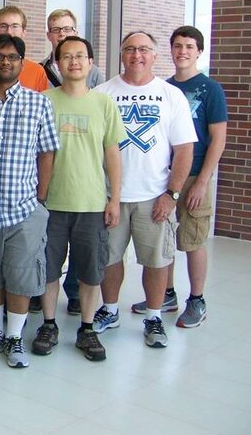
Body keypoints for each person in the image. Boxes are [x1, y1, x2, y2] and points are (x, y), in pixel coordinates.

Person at [93, 31, 196, 348]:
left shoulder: (170, 95)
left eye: (143, 49)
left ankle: (153, 316)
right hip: (112, 196)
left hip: (154, 196)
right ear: (121, 54)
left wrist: (172, 194)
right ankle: (110, 310)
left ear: (154, 55)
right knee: (109, 258)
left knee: (156, 261)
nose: (136, 55)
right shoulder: (102, 93)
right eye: (129, 49)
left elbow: (184, 149)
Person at [0, 34, 60, 368]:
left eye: (11, 57)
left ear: (22, 63)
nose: (5, 62)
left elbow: (47, 153)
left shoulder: (39, 103)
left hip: (24, 210)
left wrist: (40, 199)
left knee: (21, 276)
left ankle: (15, 337)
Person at [32, 36, 125, 362]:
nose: (74, 61)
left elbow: (112, 154)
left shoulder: (103, 104)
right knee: (48, 270)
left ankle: (87, 328)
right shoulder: (43, 100)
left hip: (91, 204)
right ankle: (48, 324)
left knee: (90, 271)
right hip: (50, 205)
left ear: (90, 63)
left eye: (80, 56)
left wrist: (114, 199)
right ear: (57, 63)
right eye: (67, 56)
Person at [130, 26, 227, 328]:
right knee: (166, 239)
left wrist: (201, 181)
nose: (182, 51)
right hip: (166, 177)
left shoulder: (210, 89)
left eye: (189, 46)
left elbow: (218, 139)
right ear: (170, 51)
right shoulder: (165, 88)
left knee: (193, 240)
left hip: (196, 174)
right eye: (177, 46)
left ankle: (196, 299)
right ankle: (166, 294)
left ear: (199, 52)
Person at [35, 7, 105, 315]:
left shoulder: (98, 82)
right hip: (53, 188)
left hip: (89, 189)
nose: (63, 34)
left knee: (86, 254)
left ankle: (77, 296)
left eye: (68, 29)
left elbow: (106, 141)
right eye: (57, 29)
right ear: (49, 35)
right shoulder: (41, 77)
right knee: (49, 255)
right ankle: (47, 312)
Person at [0, 6, 48, 92]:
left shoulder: (37, 72)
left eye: (15, 26)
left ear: (24, 31)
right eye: (3, 26)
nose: (9, 32)